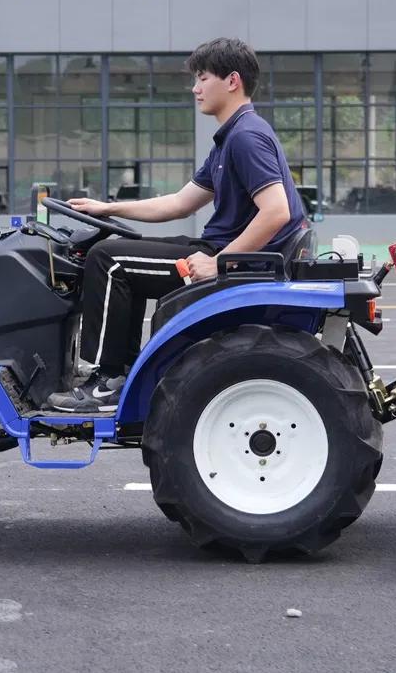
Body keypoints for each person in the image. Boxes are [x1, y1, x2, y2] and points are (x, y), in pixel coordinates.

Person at [46, 37, 308, 413]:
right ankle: (119, 372)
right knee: (121, 252)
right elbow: (179, 203)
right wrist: (108, 208)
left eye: (202, 78)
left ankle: (107, 382)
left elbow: (276, 211)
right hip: (222, 252)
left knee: (109, 260)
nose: (195, 88)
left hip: (234, 262)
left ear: (232, 81)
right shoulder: (229, 139)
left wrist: (219, 263)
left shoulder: (246, 137)